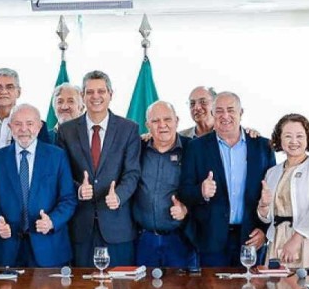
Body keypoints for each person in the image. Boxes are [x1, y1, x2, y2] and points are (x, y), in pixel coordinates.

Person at [179, 91, 276, 267]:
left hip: (251, 239)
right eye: (219, 111)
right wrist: (201, 191)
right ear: (212, 114)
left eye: (231, 110)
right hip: (209, 241)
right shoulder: (196, 148)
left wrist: (264, 231)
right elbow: (184, 191)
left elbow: (272, 194)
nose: (225, 116)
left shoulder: (263, 147)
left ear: (241, 113)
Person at [56, 70, 140, 267]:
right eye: (90, 92)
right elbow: (61, 174)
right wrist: (77, 188)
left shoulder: (129, 129)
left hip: (117, 227)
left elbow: (132, 172)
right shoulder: (66, 131)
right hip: (80, 227)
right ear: (83, 96)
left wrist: (118, 195)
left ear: (111, 94)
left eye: (101, 91)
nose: (96, 97)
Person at [0, 104, 76, 267]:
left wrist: (52, 221)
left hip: (49, 249)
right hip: (9, 249)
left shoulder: (57, 156)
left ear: (39, 126)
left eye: (30, 123)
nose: (24, 129)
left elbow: (69, 199)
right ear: (10, 127)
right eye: (17, 124)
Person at [133, 101, 195, 268]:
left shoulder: (193, 149)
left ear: (177, 121)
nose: (162, 125)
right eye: (155, 121)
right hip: (144, 241)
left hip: (181, 240)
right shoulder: (137, 148)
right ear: (147, 125)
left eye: (167, 119)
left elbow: (204, 192)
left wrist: (186, 209)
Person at [257, 114, 309, 267]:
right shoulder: (272, 172)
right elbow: (266, 218)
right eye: (288, 136)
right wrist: (264, 206)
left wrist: (296, 239)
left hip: (304, 241)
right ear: (279, 139)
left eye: (299, 136)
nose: (294, 141)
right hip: (276, 242)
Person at [0, 68, 50, 150]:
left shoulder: (37, 125)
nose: (4, 92)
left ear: (18, 92)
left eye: (9, 87)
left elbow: (46, 157)